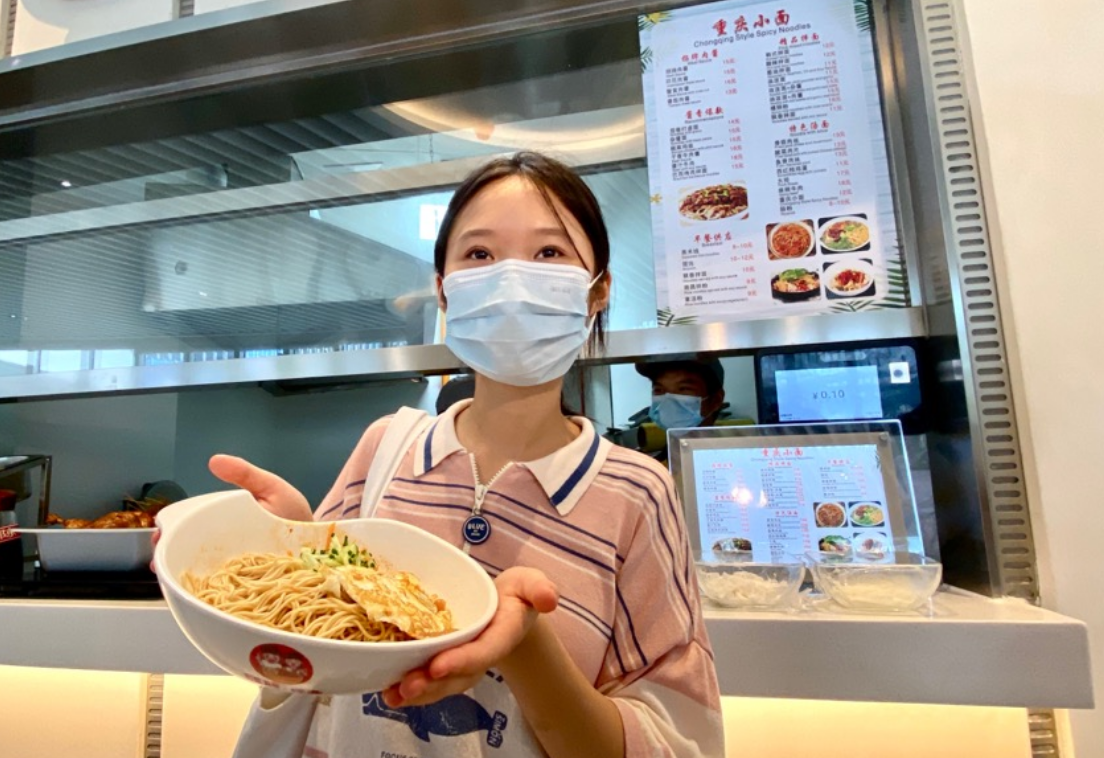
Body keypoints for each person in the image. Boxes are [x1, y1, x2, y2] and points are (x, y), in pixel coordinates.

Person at [207, 152, 723, 758]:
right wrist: (291, 554)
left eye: (549, 252)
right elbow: (306, 661)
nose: (512, 279)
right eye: (479, 254)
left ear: (597, 292)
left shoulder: (637, 492)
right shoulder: (385, 448)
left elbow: (675, 743)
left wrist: (528, 646)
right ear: (444, 290)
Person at [638, 357, 727, 431]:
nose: (668, 402)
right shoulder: (648, 448)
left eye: (683, 389)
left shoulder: (729, 446)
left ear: (716, 400)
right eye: (659, 390)